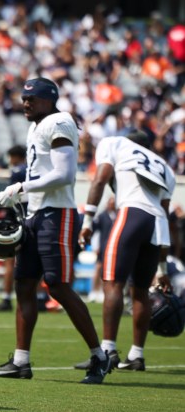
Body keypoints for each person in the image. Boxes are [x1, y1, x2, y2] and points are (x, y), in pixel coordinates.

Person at [0, 77, 110, 384]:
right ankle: (21, 362)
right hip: (35, 213)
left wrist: (19, 187)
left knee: (58, 285)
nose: (26, 103)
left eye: (33, 98)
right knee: (24, 284)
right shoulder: (36, 126)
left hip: (58, 214)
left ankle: (100, 356)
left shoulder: (59, 122)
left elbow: (65, 174)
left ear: (49, 100)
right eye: (24, 98)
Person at [76, 131, 175, 372]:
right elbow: (165, 214)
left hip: (131, 214)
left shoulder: (115, 143)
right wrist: (163, 268)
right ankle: (136, 356)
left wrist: (88, 221)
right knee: (141, 291)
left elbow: (100, 179)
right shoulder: (166, 168)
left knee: (113, 283)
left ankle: (107, 352)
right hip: (157, 225)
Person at [0, 144, 27, 313]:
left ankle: (6, 298)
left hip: (20, 217)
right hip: (37, 215)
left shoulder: (18, 171)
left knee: (10, 260)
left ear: (15, 157)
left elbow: (11, 197)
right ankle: (40, 298)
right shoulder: (35, 169)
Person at [86, 196, 117, 304]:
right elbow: (95, 232)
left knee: (109, 271)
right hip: (103, 247)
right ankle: (94, 291)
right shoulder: (102, 216)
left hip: (114, 248)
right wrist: (95, 246)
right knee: (99, 268)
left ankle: (104, 292)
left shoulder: (118, 216)